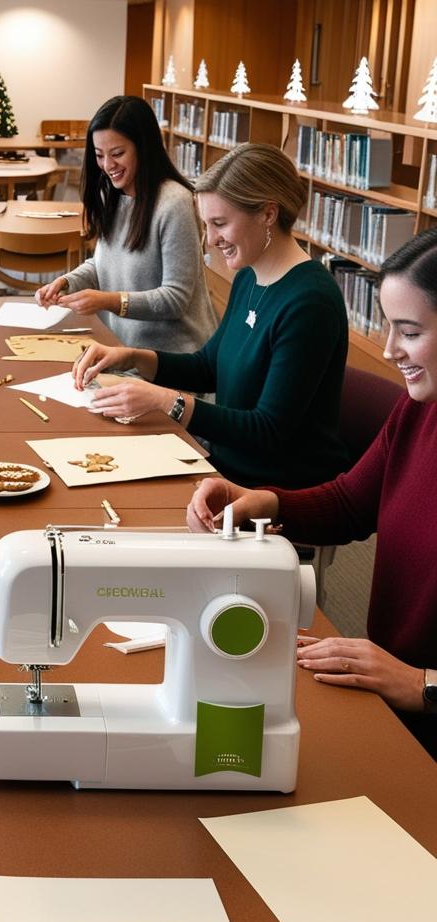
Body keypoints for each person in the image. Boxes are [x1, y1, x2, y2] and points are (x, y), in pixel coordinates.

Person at [187, 227, 437, 758]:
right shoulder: (420, 411)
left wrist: (423, 685)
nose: (389, 351)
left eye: (410, 333)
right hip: (381, 691)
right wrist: (263, 500)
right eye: (389, 328)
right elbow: (351, 502)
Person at [73, 142, 351, 490]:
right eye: (207, 224)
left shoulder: (311, 302)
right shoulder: (250, 276)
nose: (210, 241)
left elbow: (268, 430)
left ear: (268, 214)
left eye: (220, 223)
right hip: (226, 465)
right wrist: (129, 357)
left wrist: (165, 401)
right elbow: (209, 367)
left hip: (272, 486)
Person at [35, 95, 216, 353]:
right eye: (99, 155)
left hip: (174, 360)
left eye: (118, 153)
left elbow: (175, 299)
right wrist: (66, 282)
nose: (108, 166)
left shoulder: (174, 203)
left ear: (143, 147)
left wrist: (107, 301)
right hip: (126, 353)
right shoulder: (111, 195)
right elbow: (104, 265)